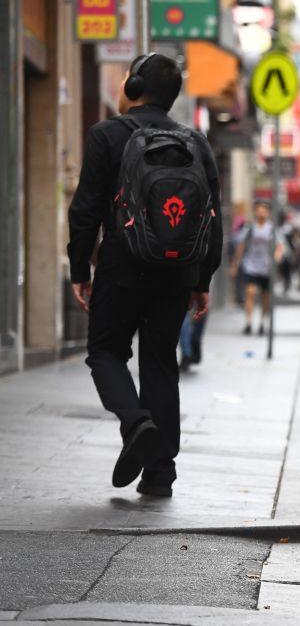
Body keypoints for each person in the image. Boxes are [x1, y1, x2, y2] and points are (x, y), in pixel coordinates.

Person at [67, 53, 223, 497]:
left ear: (134, 87)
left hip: (120, 267)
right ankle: (160, 474)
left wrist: (81, 268)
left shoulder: (106, 135)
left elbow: (86, 211)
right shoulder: (195, 142)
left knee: (104, 352)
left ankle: (136, 423)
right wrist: (201, 280)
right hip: (175, 273)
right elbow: (213, 217)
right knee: (160, 363)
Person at [232, 200, 283, 335]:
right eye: (259, 210)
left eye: (264, 210)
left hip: (266, 267)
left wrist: (276, 258)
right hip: (250, 265)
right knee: (250, 292)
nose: (261, 213)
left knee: (265, 296)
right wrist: (236, 264)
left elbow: (280, 246)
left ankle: (262, 321)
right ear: (255, 212)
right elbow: (241, 246)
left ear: (268, 213)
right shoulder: (249, 228)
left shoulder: (272, 229)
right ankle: (248, 322)